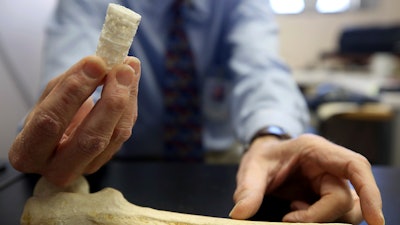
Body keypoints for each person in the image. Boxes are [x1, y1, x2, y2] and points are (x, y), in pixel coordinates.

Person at [8, 0, 384, 224]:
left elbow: (260, 67)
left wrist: (273, 135)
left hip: (220, 164)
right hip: (112, 162)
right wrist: (65, 122)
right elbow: (71, 61)